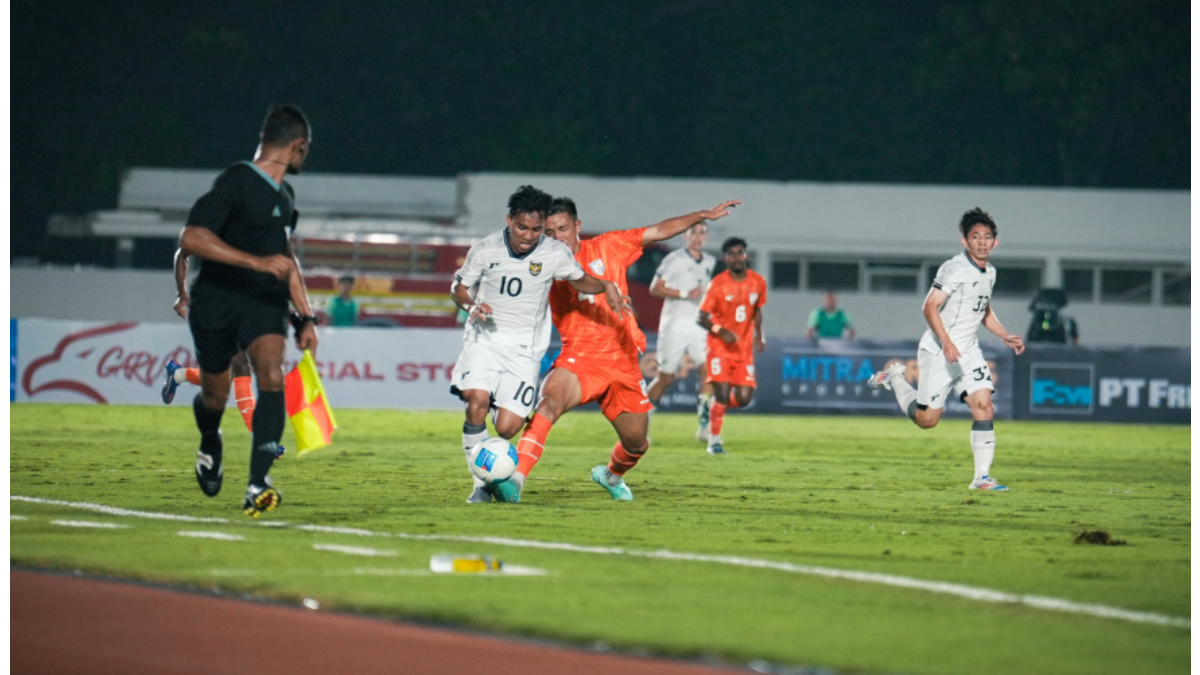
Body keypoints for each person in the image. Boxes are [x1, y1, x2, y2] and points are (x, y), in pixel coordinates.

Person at [500, 197, 741, 503]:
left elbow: (658, 231)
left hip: (624, 362)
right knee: (548, 405)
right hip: (580, 359)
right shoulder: (542, 263)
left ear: (577, 226)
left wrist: (701, 215)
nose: (557, 237)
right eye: (549, 232)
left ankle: (611, 476)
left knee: (637, 443)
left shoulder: (609, 246)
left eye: (562, 229)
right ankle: (515, 481)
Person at [177, 103, 318, 517]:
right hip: (216, 298)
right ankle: (210, 441)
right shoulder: (237, 180)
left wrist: (306, 316)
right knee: (215, 395)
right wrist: (255, 262)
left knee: (271, 375)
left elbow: (285, 259)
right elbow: (191, 237)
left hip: (262, 301)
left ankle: (258, 483)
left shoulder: (286, 196)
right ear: (299, 146)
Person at [449, 185, 623, 503]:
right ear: (509, 220)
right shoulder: (485, 249)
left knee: (507, 428)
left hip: (524, 351)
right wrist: (471, 306)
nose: (528, 236)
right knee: (475, 401)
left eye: (536, 229)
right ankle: (480, 485)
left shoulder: (554, 253)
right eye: (522, 227)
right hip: (484, 339)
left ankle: (492, 415)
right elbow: (459, 287)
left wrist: (605, 285)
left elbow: (578, 279)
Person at [867, 207, 1025, 490]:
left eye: (987, 237)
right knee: (927, 420)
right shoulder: (954, 268)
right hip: (939, 350)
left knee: (984, 405)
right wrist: (947, 342)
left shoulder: (990, 272)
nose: (981, 242)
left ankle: (981, 478)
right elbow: (929, 306)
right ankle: (893, 378)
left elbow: (983, 308)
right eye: (975, 236)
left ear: (995, 242)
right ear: (965, 241)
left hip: (968, 351)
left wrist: (1004, 334)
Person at [162, 248, 258, 433]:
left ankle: (178, 374)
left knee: (225, 375)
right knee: (240, 365)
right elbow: (182, 253)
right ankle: (260, 437)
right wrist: (182, 294)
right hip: (209, 304)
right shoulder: (213, 233)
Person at [644, 221, 717, 442]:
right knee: (665, 378)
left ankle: (704, 427)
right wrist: (685, 293)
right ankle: (641, 426)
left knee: (708, 373)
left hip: (699, 327)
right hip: (674, 326)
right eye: (694, 232)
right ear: (686, 236)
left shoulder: (711, 261)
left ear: (706, 237)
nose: (698, 237)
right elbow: (655, 288)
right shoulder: (674, 260)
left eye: (702, 233)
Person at [696, 237, 768, 455]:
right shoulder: (718, 284)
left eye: (740, 253)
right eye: (732, 254)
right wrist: (719, 330)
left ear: (746, 255)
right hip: (719, 347)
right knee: (723, 393)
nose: (737, 257)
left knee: (744, 398)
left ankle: (709, 408)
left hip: (743, 350)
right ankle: (713, 443)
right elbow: (701, 317)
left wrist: (759, 335)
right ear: (725, 258)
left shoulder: (758, 282)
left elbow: (757, 310)